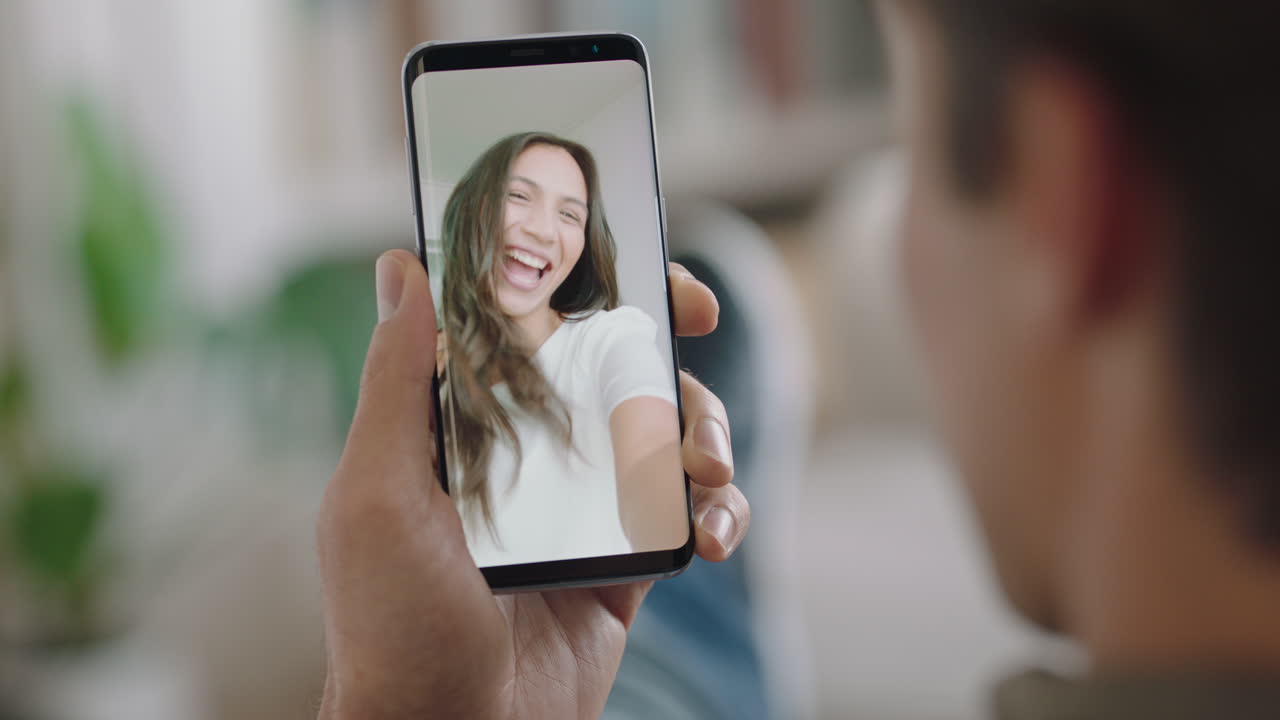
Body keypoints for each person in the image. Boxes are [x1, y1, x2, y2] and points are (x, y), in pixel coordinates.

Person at [317, 1, 1280, 718]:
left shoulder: (610, 341)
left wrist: (392, 706)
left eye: (912, 150)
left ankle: (701, 631)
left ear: (1060, 196)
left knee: (672, 653)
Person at [435, 132, 688, 566]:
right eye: (517, 195)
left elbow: (649, 451)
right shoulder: (428, 377)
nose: (541, 229)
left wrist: (664, 528)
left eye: (570, 215)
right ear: (471, 209)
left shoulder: (610, 339)